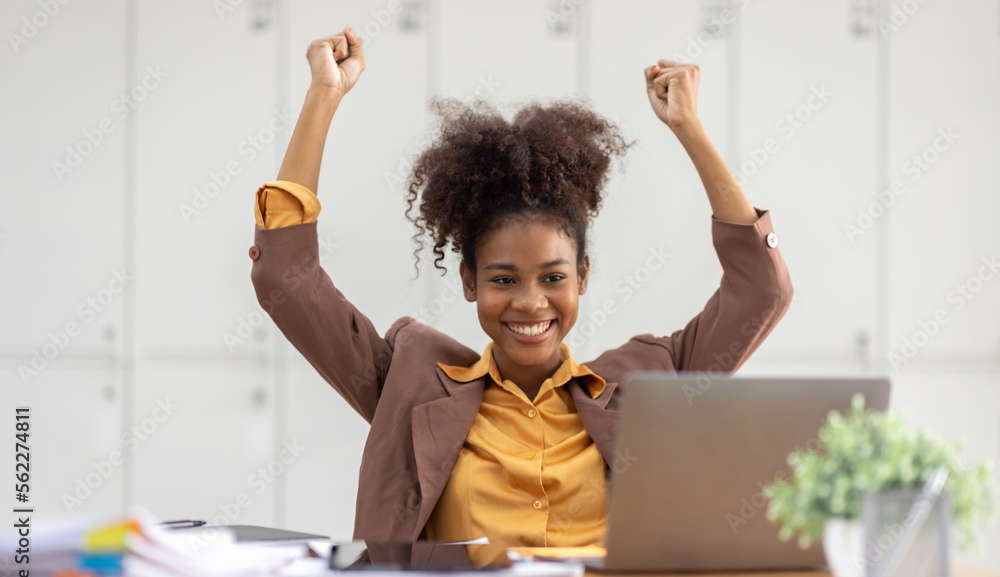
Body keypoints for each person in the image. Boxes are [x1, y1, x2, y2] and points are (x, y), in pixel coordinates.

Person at [249, 26, 793, 548]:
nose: (531, 302)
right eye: (503, 279)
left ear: (582, 275)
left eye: (554, 278)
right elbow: (287, 280)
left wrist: (690, 129)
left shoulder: (654, 383)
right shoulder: (409, 384)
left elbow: (761, 292)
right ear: (468, 280)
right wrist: (323, 96)